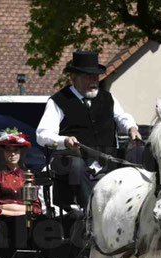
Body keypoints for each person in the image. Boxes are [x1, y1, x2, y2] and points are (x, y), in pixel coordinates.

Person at [36, 50, 141, 210]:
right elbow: (42, 135)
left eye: (96, 77)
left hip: (106, 158)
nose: (94, 81)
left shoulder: (108, 98)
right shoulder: (58, 101)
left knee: (138, 156)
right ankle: (90, 212)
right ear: (73, 79)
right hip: (71, 160)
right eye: (88, 77)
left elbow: (122, 117)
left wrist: (132, 128)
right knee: (76, 166)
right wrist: (64, 140)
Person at [0, 128, 42, 258]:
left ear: (20, 154)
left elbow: (36, 207)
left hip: (28, 220)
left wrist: (10, 207)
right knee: (20, 222)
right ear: (3, 153)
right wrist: (20, 210)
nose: (12, 154)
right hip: (4, 222)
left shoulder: (28, 177)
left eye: (15, 151)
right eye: (8, 150)